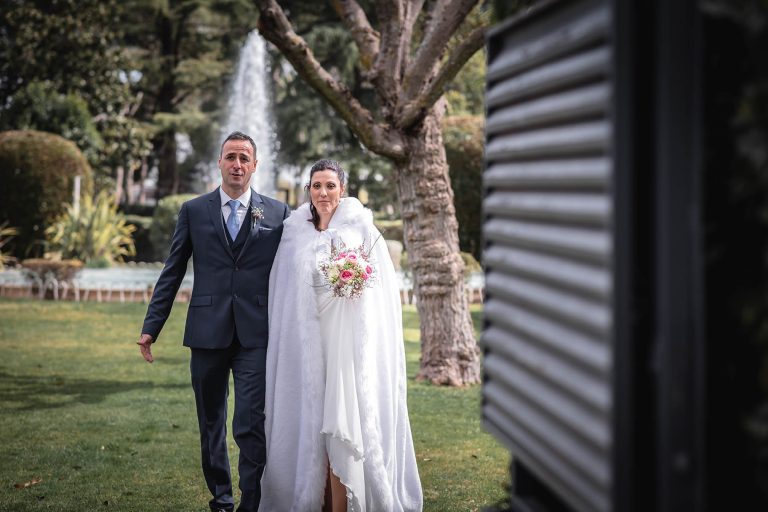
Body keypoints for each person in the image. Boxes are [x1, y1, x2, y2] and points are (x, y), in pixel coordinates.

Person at [135, 131, 290, 512]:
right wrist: (151, 326)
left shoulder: (278, 213)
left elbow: (294, 271)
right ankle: (221, 500)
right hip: (206, 334)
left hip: (256, 334)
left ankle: (250, 504)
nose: (237, 164)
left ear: (255, 166)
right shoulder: (193, 210)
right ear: (219, 163)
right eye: (230, 157)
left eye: (244, 158)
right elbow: (172, 272)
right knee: (211, 424)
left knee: (250, 424)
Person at [260, 159, 423, 511]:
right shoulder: (293, 234)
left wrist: (354, 286)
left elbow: (382, 298)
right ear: (308, 191)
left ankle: (343, 503)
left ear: (342, 190)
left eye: (330, 186)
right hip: (306, 347)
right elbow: (282, 290)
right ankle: (309, 499)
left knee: (341, 425)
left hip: (346, 348)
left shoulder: (363, 231)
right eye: (316, 186)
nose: (323, 193)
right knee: (309, 423)